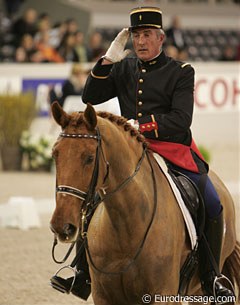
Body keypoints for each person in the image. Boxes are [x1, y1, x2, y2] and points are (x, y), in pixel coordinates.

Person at [52, 7, 235, 301]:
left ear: (160, 38)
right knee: (95, 197)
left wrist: (143, 126)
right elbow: (90, 96)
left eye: (147, 35)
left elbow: (180, 120)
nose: (140, 41)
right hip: (131, 151)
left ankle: (212, 276)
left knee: (211, 200)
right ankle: (82, 272)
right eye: (136, 36)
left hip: (173, 149)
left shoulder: (181, 72)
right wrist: (109, 58)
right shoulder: (123, 69)